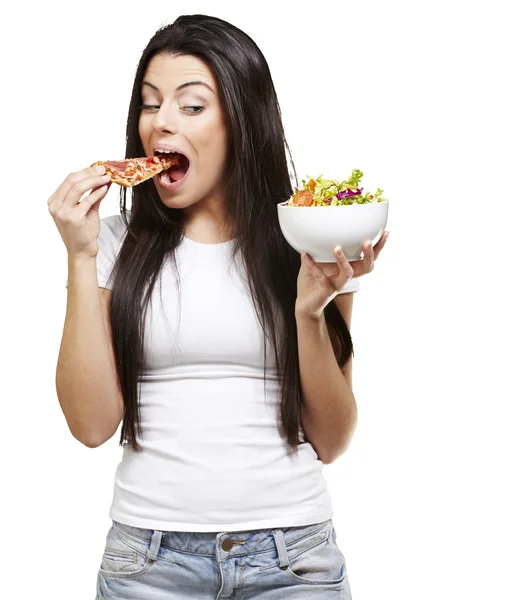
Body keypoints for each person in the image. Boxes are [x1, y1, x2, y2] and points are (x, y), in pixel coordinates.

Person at [48, 14, 389, 599]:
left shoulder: (311, 242)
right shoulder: (110, 242)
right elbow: (90, 425)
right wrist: (79, 257)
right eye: (150, 104)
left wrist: (309, 311)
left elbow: (331, 440)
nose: (160, 123)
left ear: (242, 121)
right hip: (147, 562)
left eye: (191, 105)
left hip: (293, 559)